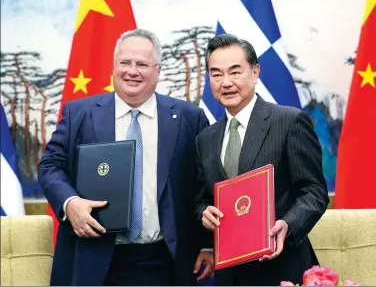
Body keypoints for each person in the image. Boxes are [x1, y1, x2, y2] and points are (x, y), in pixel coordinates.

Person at [38, 29, 214, 286]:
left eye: (142, 64)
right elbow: (51, 165)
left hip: (167, 261)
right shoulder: (80, 113)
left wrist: (208, 245)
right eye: (125, 63)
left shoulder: (189, 117)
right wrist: (70, 203)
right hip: (94, 258)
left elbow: (203, 184)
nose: (132, 71)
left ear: (158, 70)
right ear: (114, 67)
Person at [194, 34, 329, 286]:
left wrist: (288, 224)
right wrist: (204, 213)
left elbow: (314, 191)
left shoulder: (289, 122)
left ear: (255, 72)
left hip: (283, 268)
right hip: (229, 274)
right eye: (216, 74)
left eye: (235, 72)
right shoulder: (206, 138)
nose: (226, 82)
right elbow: (202, 199)